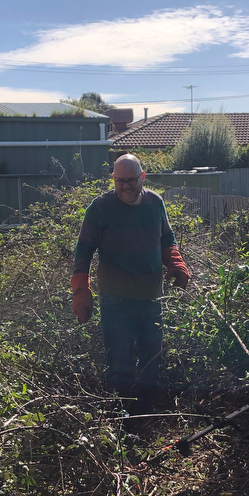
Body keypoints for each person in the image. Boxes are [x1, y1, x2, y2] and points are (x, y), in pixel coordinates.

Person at [70, 154, 190, 415]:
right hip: (116, 301)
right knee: (119, 363)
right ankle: (119, 419)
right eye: (120, 180)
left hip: (151, 298)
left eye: (131, 180)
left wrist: (175, 263)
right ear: (113, 179)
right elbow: (83, 252)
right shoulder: (100, 208)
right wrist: (81, 290)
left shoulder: (155, 202)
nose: (126, 185)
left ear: (142, 177)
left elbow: (167, 239)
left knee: (151, 360)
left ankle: (143, 414)